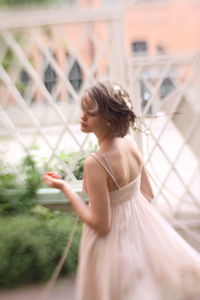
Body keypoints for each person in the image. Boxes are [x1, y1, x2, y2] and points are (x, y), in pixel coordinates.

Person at [43, 81, 200, 300]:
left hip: (110, 248)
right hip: (139, 237)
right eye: (83, 109)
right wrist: (129, 219)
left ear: (109, 118)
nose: (83, 116)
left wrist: (65, 188)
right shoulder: (130, 145)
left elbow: (102, 225)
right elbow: (148, 194)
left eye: (91, 112)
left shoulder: (96, 162)